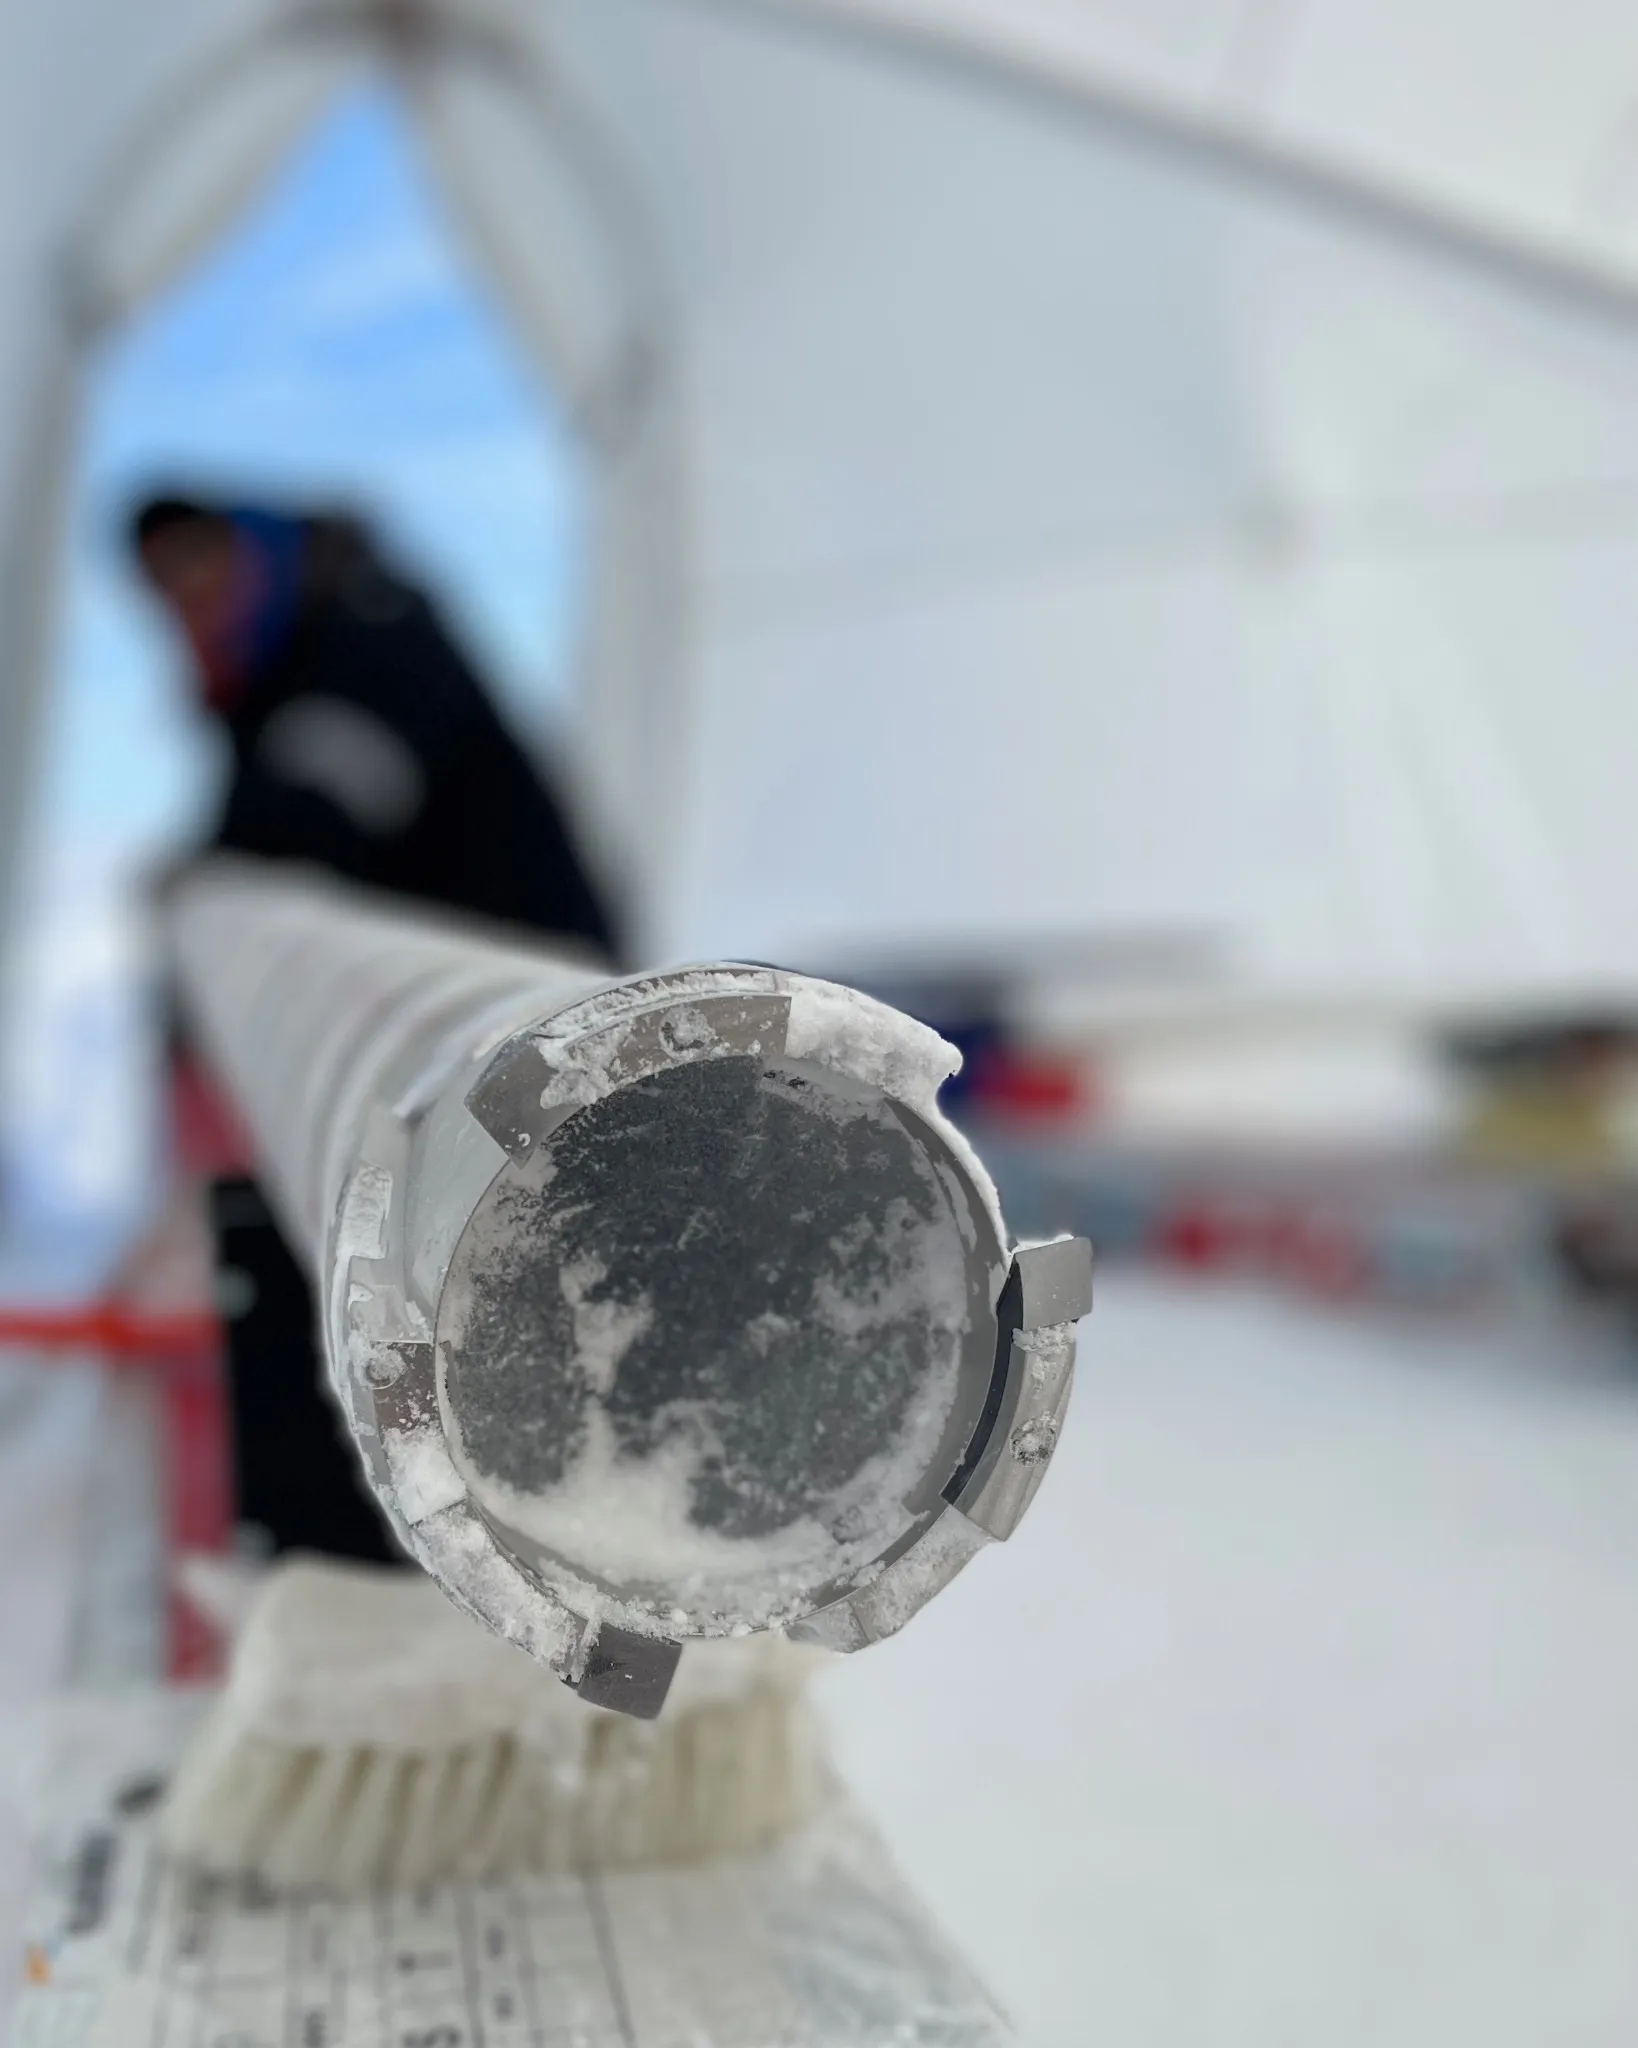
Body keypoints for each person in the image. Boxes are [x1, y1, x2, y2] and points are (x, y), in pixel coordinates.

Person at [131, 492, 620, 1566]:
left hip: (520, 1008)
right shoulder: (279, 666)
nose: (188, 608)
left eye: (198, 574)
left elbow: (323, 800)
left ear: (247, 549)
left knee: (552, 1280)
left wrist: (221, 872)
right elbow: (268, 817)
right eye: (168, 594)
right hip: (438, 1031)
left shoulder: (370, 626)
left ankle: (561, 1521)